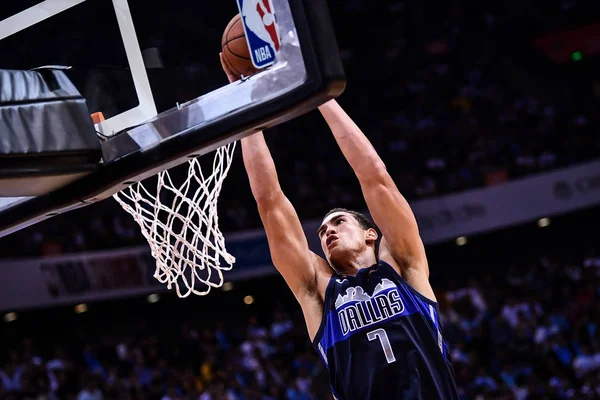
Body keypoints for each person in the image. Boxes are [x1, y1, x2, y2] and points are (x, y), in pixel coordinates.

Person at [220, 54, 459, 399]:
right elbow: (270, 202)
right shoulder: (318, 292)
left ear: (370, 234)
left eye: (339, 222)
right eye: (321, 232)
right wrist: (245, 104)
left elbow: (375, 176)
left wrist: (319, 93)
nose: (327, 231)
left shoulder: (404, 266)